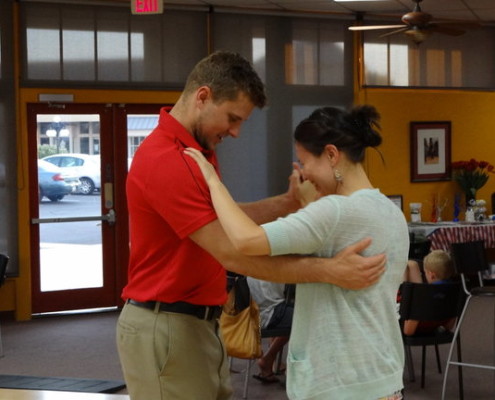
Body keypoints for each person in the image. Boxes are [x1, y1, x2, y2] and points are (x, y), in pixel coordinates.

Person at [117, 50, 387, 400]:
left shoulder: (195, 149)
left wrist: (285, 203)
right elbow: (232, 252)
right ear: (203, 97)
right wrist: (329, 270)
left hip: (199, 323)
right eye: (232, 118)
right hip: (167, 325)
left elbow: (217, 223)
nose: (236, 132)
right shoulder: (167, 159)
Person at [185, 104, 409, 400]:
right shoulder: (390, 211)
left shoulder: (336, 211)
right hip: (382, 373)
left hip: (339, 380)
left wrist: (213, 181)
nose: (303, 172)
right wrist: (304, 204)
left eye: (305, 161)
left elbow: (246, 240)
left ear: (331, 155)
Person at [247, 278, 293, 383]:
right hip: (268, 312)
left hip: (247, 315)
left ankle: (272, 360)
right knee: (306, 319)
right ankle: (270, 358)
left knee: (294, 312)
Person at [402, 249, 456, 336]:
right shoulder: (455, 291)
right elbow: (449, 326)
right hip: (437, 328)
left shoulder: (423, 296)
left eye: (425, 272)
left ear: (431, 275)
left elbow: (408, 331)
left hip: (417, 329)